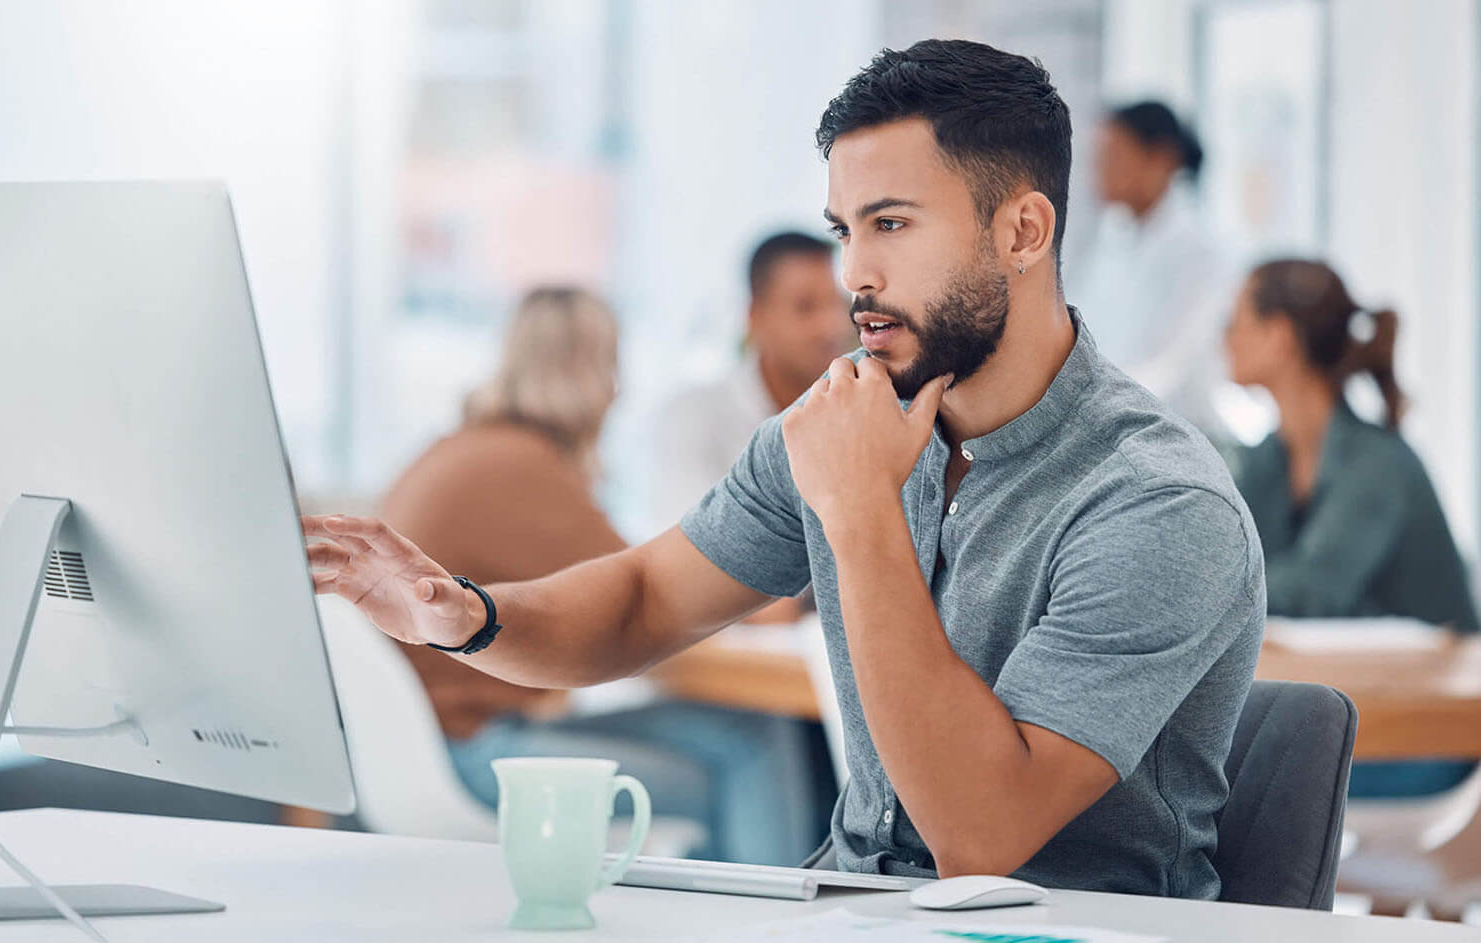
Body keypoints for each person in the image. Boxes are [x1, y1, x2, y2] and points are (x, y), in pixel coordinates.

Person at [307, 40, 1264, 897]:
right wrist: (467, 613)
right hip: (850, 906)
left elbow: (981, 834)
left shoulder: (1156, 502)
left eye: (890, 225)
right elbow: (644, 600)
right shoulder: (839, 422)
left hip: (1067, 926)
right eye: (845, 229)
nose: (854, 274)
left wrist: (858, 510)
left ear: (1021, 232)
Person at [380, 286, 828, 864]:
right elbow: (664, 598)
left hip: (435, 742)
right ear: (593, 373)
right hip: (475, 754)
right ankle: (776, 924)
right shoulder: (523, 468)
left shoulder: (464, 450)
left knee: (752, 735)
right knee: (753, 751)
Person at [1222, 259, 1479, 797]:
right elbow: (1236, 562)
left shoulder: (1379, 463)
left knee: (1236, 782)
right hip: (1343, 713)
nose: (1225, 336)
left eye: (1237, 320)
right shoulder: (1271, 458)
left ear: (1280, 336)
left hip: (1423, 735)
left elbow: (1312, 589)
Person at [652, 231, 853, 534]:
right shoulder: (693, 416)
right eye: (805, 307)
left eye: (836, 304)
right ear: (755, 316)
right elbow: (691, 546)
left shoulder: (859, 412)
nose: (831, 326)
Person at [1068, 100, 1239, 437]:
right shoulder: (1114, 236)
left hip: (1171, 430)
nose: (1098, 171)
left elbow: (1173, 364)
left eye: (1112, 157)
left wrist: (1089, 405)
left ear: (1160, 159)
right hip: (1111, 419)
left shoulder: (1198, 246)